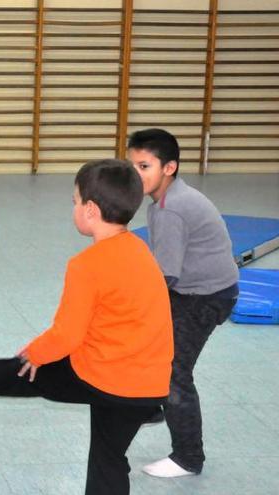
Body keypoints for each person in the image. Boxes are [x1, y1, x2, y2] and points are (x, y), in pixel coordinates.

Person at [0, 159, 173, 495]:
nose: (73, 207)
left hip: (105, 377)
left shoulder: (86, 266)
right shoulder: (140, 249)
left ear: (90, 210)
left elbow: (67, 334)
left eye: (74, 201)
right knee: (109, 458)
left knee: (29, 372)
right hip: (149, 385)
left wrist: (36, 352)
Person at [128, 128, 239, 478]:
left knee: (174, 370)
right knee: (147, 342)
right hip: (191, 287)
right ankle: (151, 406)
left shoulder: (172, 207)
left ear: (170, 168)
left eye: (144, 166)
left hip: (206, 296)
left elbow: (165, 277)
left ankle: (188, 458)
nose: (136, 175)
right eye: (132, 166)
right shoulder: (162, 201)